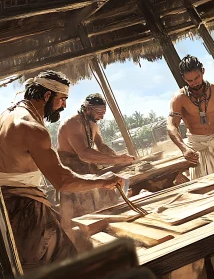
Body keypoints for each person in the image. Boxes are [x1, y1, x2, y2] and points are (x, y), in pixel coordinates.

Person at [0, 70, 123, 271]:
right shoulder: (31, 128)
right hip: (23, 208)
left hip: (9, 207)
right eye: (62, 99)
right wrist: (102, 181)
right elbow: (62, 181)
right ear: (47, 96)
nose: (64, 105)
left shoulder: (7, 114)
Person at [57, 93, 135, 237]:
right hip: (73, 175)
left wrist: (119, 158)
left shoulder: (92, 124)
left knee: (112, 186)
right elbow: (84, 154)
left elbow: (102, 146)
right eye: (99, 113)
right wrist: (117, 161)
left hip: (88, 171)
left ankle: (108, 230)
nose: (102, 117)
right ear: (87, 108)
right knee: (79, 218)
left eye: (103, 113)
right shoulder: (72, 124)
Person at [167, 55, 214, 179]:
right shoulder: (179, 98)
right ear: (184, 78)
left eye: (197, 77)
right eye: (189, 80)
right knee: (204, 189)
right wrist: (184, 148)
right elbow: (171, 125)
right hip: (196, 149)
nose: (194, 82)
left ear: (203, 71)